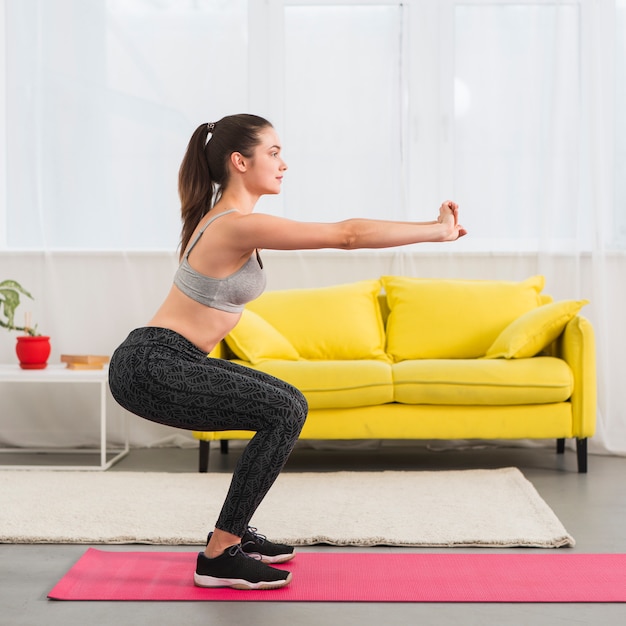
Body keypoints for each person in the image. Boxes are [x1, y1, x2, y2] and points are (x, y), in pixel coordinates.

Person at [108, 113, 466, 591]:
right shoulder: (233, 225)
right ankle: (220, 554)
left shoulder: (220, 218)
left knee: (286, 405)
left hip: (167, 361)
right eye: (273, 153)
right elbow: (347, 235)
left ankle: (232, 535)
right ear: (239, 161)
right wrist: (435, 230)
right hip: (153, 364)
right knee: (287, 407)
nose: (284, 164)